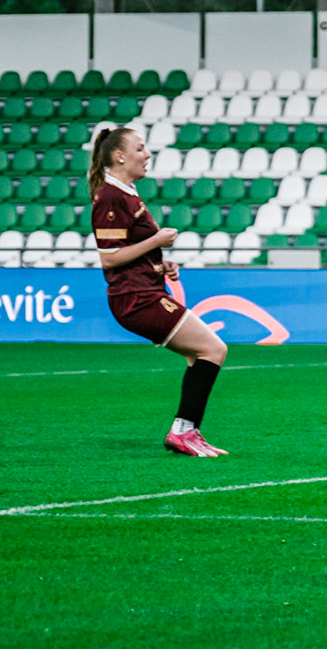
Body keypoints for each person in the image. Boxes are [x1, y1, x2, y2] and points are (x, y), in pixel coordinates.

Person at [88, 126, 230, 457]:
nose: (147, 154)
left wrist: (159, 264)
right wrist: (156, 241)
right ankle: (183, 432)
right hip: (136, 299)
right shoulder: (110, 196)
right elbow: (109, 257)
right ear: (119, 156)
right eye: (140, 149)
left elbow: (128, 248)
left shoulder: (125, 192)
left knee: (202, 354)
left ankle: (187, 432)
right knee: (213, 349)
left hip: (146, 291)